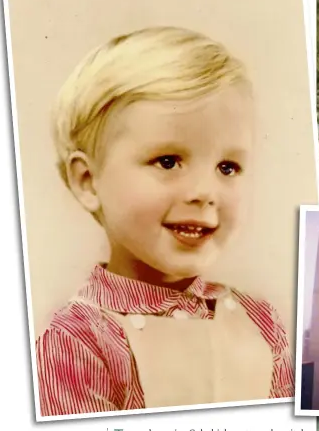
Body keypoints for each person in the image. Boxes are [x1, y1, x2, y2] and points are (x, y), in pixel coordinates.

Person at [35, 27, 294, 417]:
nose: (205, 191)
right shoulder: (77, 343)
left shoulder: (261, 321)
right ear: (88, 181)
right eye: (168, 161)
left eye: (228, 166)